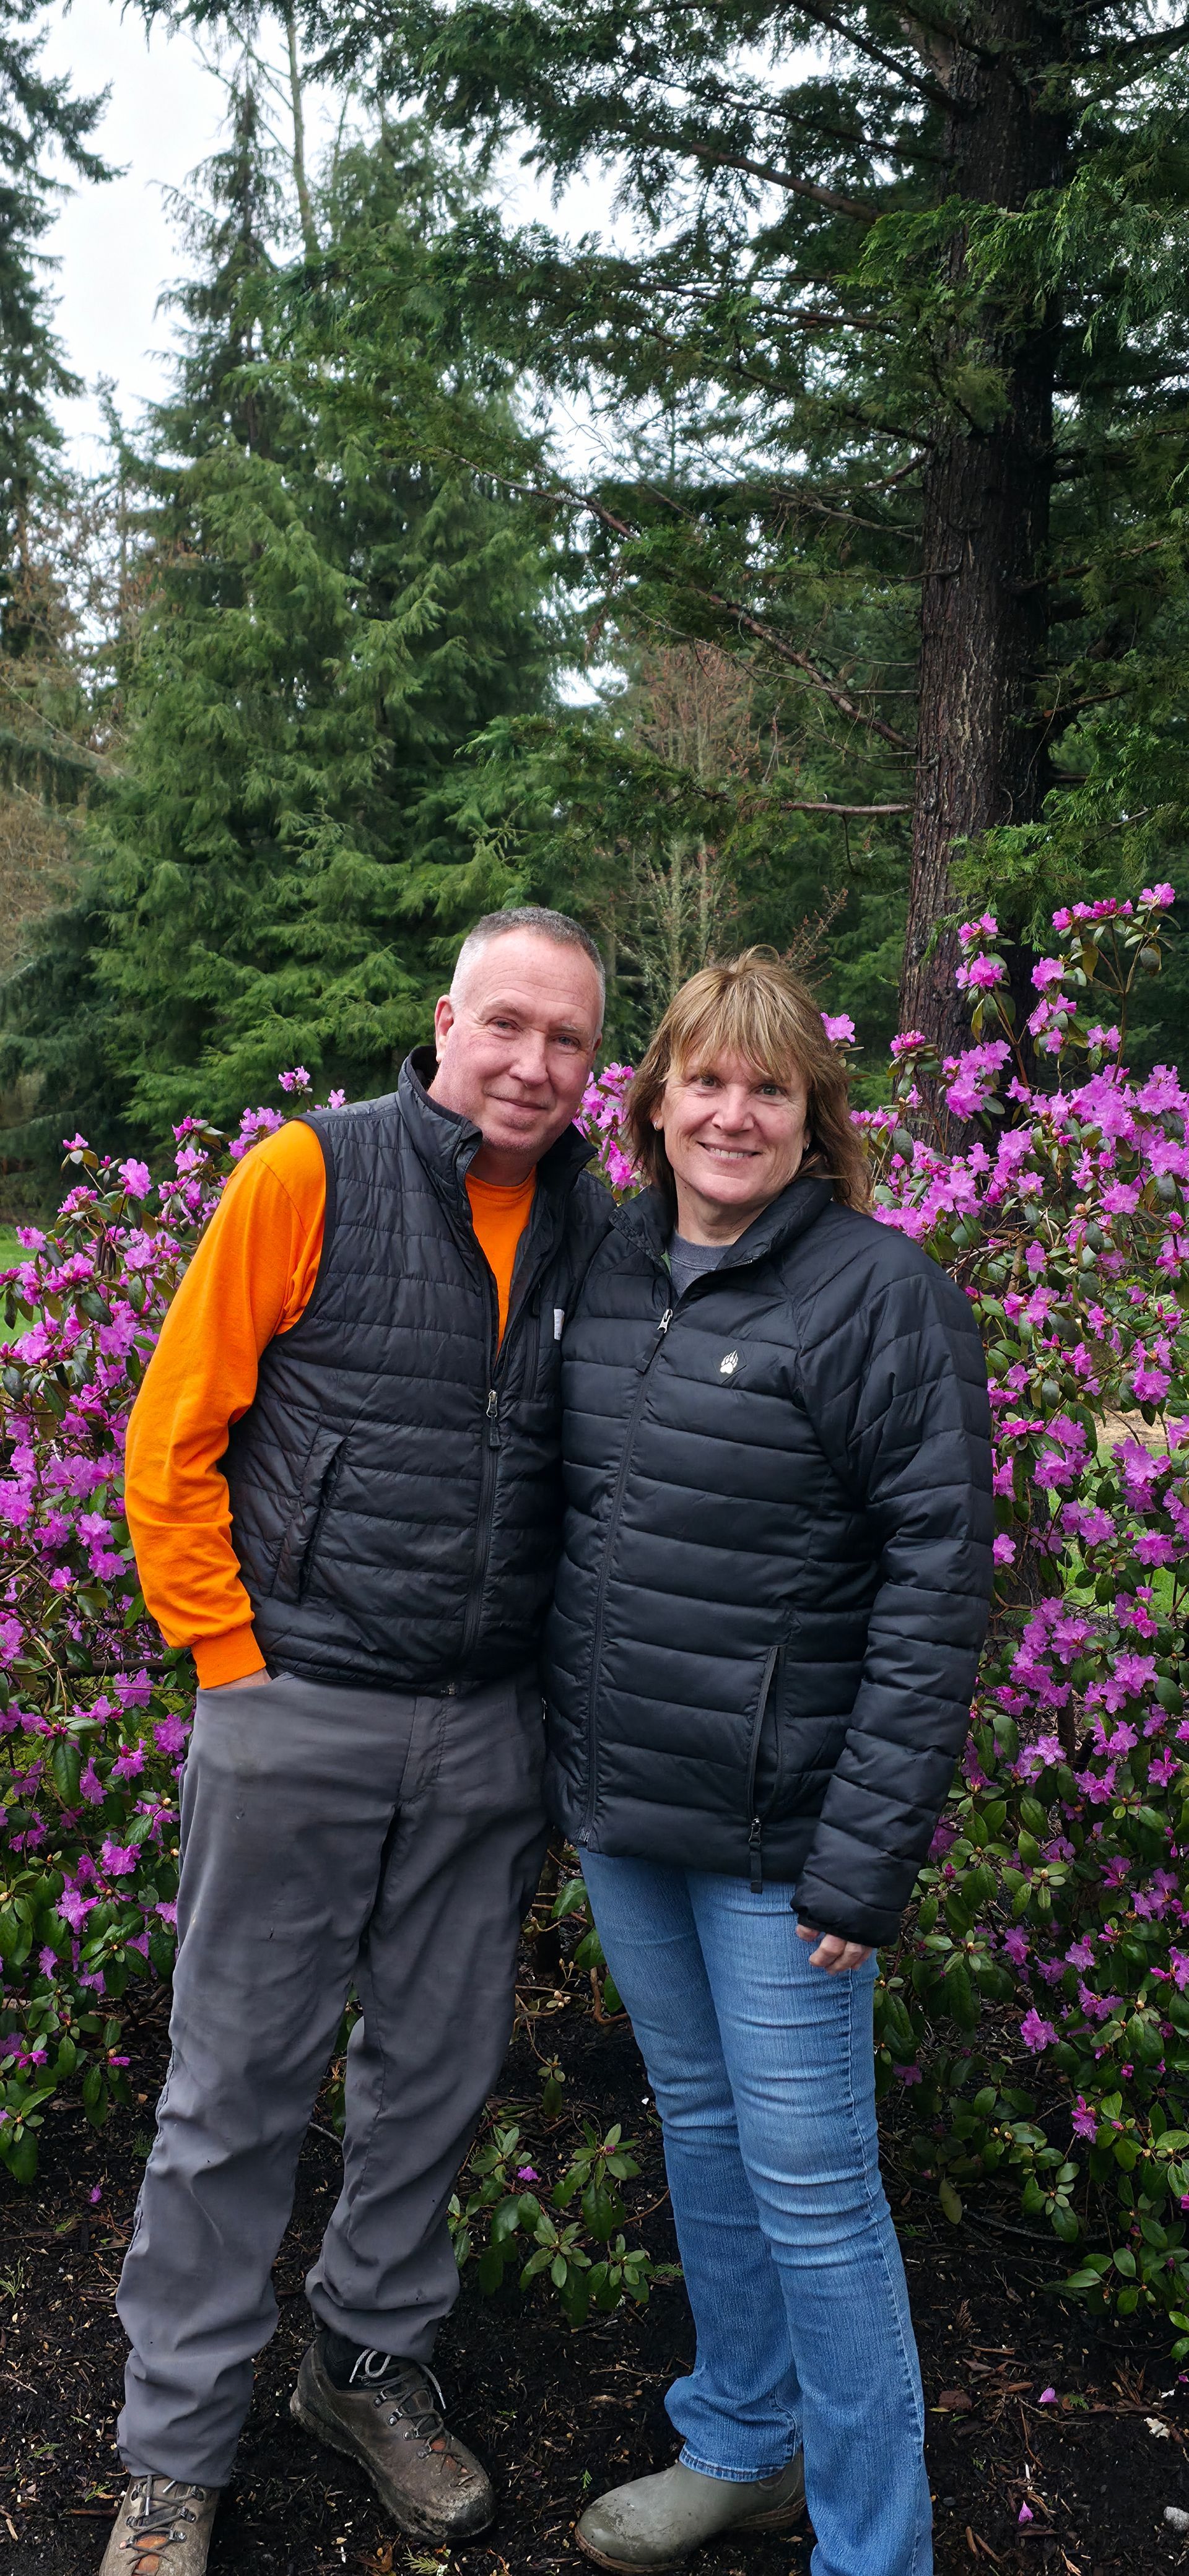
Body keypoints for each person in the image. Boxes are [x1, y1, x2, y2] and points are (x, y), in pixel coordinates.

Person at [100, 909, 609, 2576]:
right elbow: (172, 1435)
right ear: (446, 1019)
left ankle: (364, 2366)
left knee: (434, 2081)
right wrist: (231, 1666)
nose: (535, 1063)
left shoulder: (597, 1223)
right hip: (294, 1704)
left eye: (572, 1041)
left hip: (485, 1728)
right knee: (232, 2086)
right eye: (510, 1024)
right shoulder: (309, 1173)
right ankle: (174, 2451)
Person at [544, 949, 993, 2576]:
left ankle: (875, 2551)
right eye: (705, 1080)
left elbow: (939, 1577)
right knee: (702, 2132)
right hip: (628, 1810)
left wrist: (867, 1854)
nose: (733, 1111)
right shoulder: (604, 1273)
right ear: (652, 1101)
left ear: (816, 1117)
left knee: (815, 2191)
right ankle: (743, 2439)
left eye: (771, 1085)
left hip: (784, 1843)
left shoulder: (879, 1295)